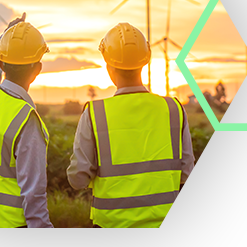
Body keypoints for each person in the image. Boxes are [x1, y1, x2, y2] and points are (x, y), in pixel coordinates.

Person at [66, 22, 195, 228]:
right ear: (145, 61)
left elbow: (77, 179)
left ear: (109, 66)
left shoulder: (95, 113)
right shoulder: (173, 109)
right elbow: (186, 172)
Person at [0, 12, 53, 228]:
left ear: (2, 64)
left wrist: (6, 35)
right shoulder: (26, 120)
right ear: (37, 70)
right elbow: (34, 196)